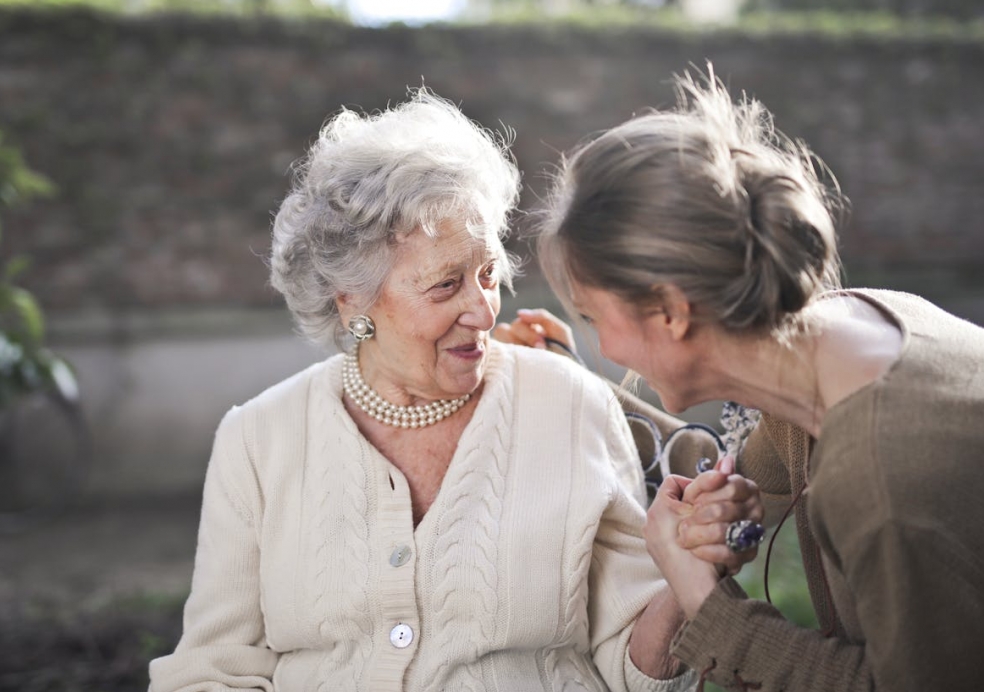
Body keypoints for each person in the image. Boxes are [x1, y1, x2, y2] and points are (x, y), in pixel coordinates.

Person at [147, 89, 763, 692]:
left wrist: (688, 573)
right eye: (445, 286)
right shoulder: (258, 439)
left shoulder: (571, 405)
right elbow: (214, 668)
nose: (483, 310)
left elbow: (630, 668)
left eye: (488, 273)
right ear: (352, 301)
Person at [518, 64, 984, 691]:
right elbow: (740, 483)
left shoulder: (879, 476)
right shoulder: (849, 330)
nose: (604, 345)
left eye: (596, 317)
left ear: (671, 313)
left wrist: (711, 609)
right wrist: (720, 509)